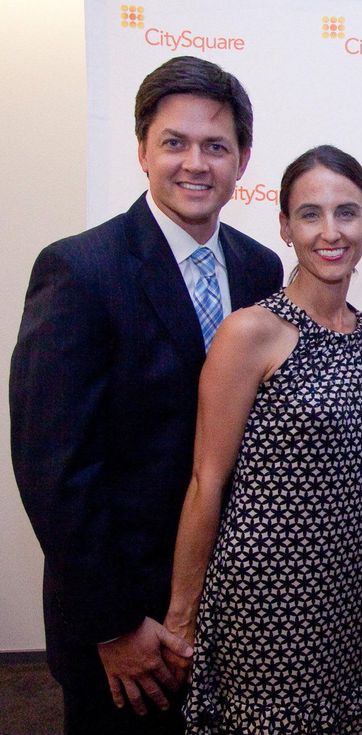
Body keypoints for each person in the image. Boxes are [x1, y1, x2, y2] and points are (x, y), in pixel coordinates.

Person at [8, 56, 282, 735]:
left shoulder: (261, 267)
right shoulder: (79, 269)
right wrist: (114, 623)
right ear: (142, 151)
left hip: (236, 609)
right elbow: (54, 469)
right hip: (126, 627)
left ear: (242, 160)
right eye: (174, 142)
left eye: (216, 146)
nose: (195, 163)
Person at [163, 145, 362, 733]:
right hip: (263, 601)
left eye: (346, 212)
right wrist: (182, 619)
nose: (330, 232)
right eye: (310, 214)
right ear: (285, 227)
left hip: (342, 598)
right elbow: (206, 481)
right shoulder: (251, 332)